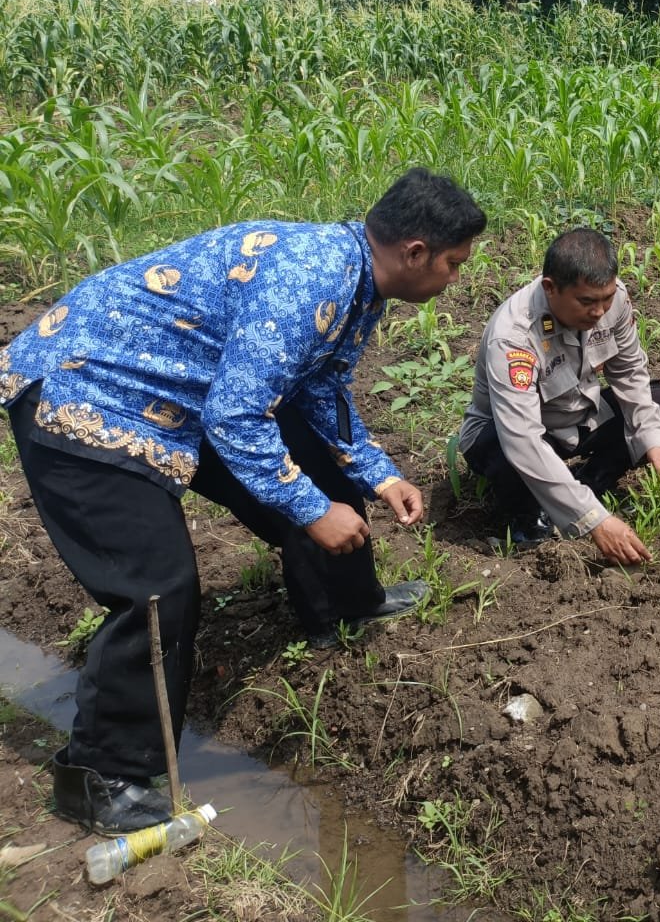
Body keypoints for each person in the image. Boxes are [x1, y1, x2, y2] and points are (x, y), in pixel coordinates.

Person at [0, 168, 487, 834]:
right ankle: (100, 775)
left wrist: (378, 475)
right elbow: (235, 418)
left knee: (317, 461)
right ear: (414, 253)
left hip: (179, 393)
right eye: (454, 265)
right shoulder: (310, 280)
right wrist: (313, 511)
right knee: (155, 587)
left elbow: (320, 393)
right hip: (85, 393)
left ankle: (344, 605)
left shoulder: (358, 280)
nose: (455, 279)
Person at [456, 228, 660, 567]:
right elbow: (522, 439)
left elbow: (629, 372)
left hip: (579, 414)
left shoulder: (612, 300)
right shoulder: (514, 337)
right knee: (508, 453)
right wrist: (593, 521)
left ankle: (587, 484)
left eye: (607, 298)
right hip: (509, 434)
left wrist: (653, 441)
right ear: (550, 288)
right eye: (586, 302)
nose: (599, 311)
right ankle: (530, 521)